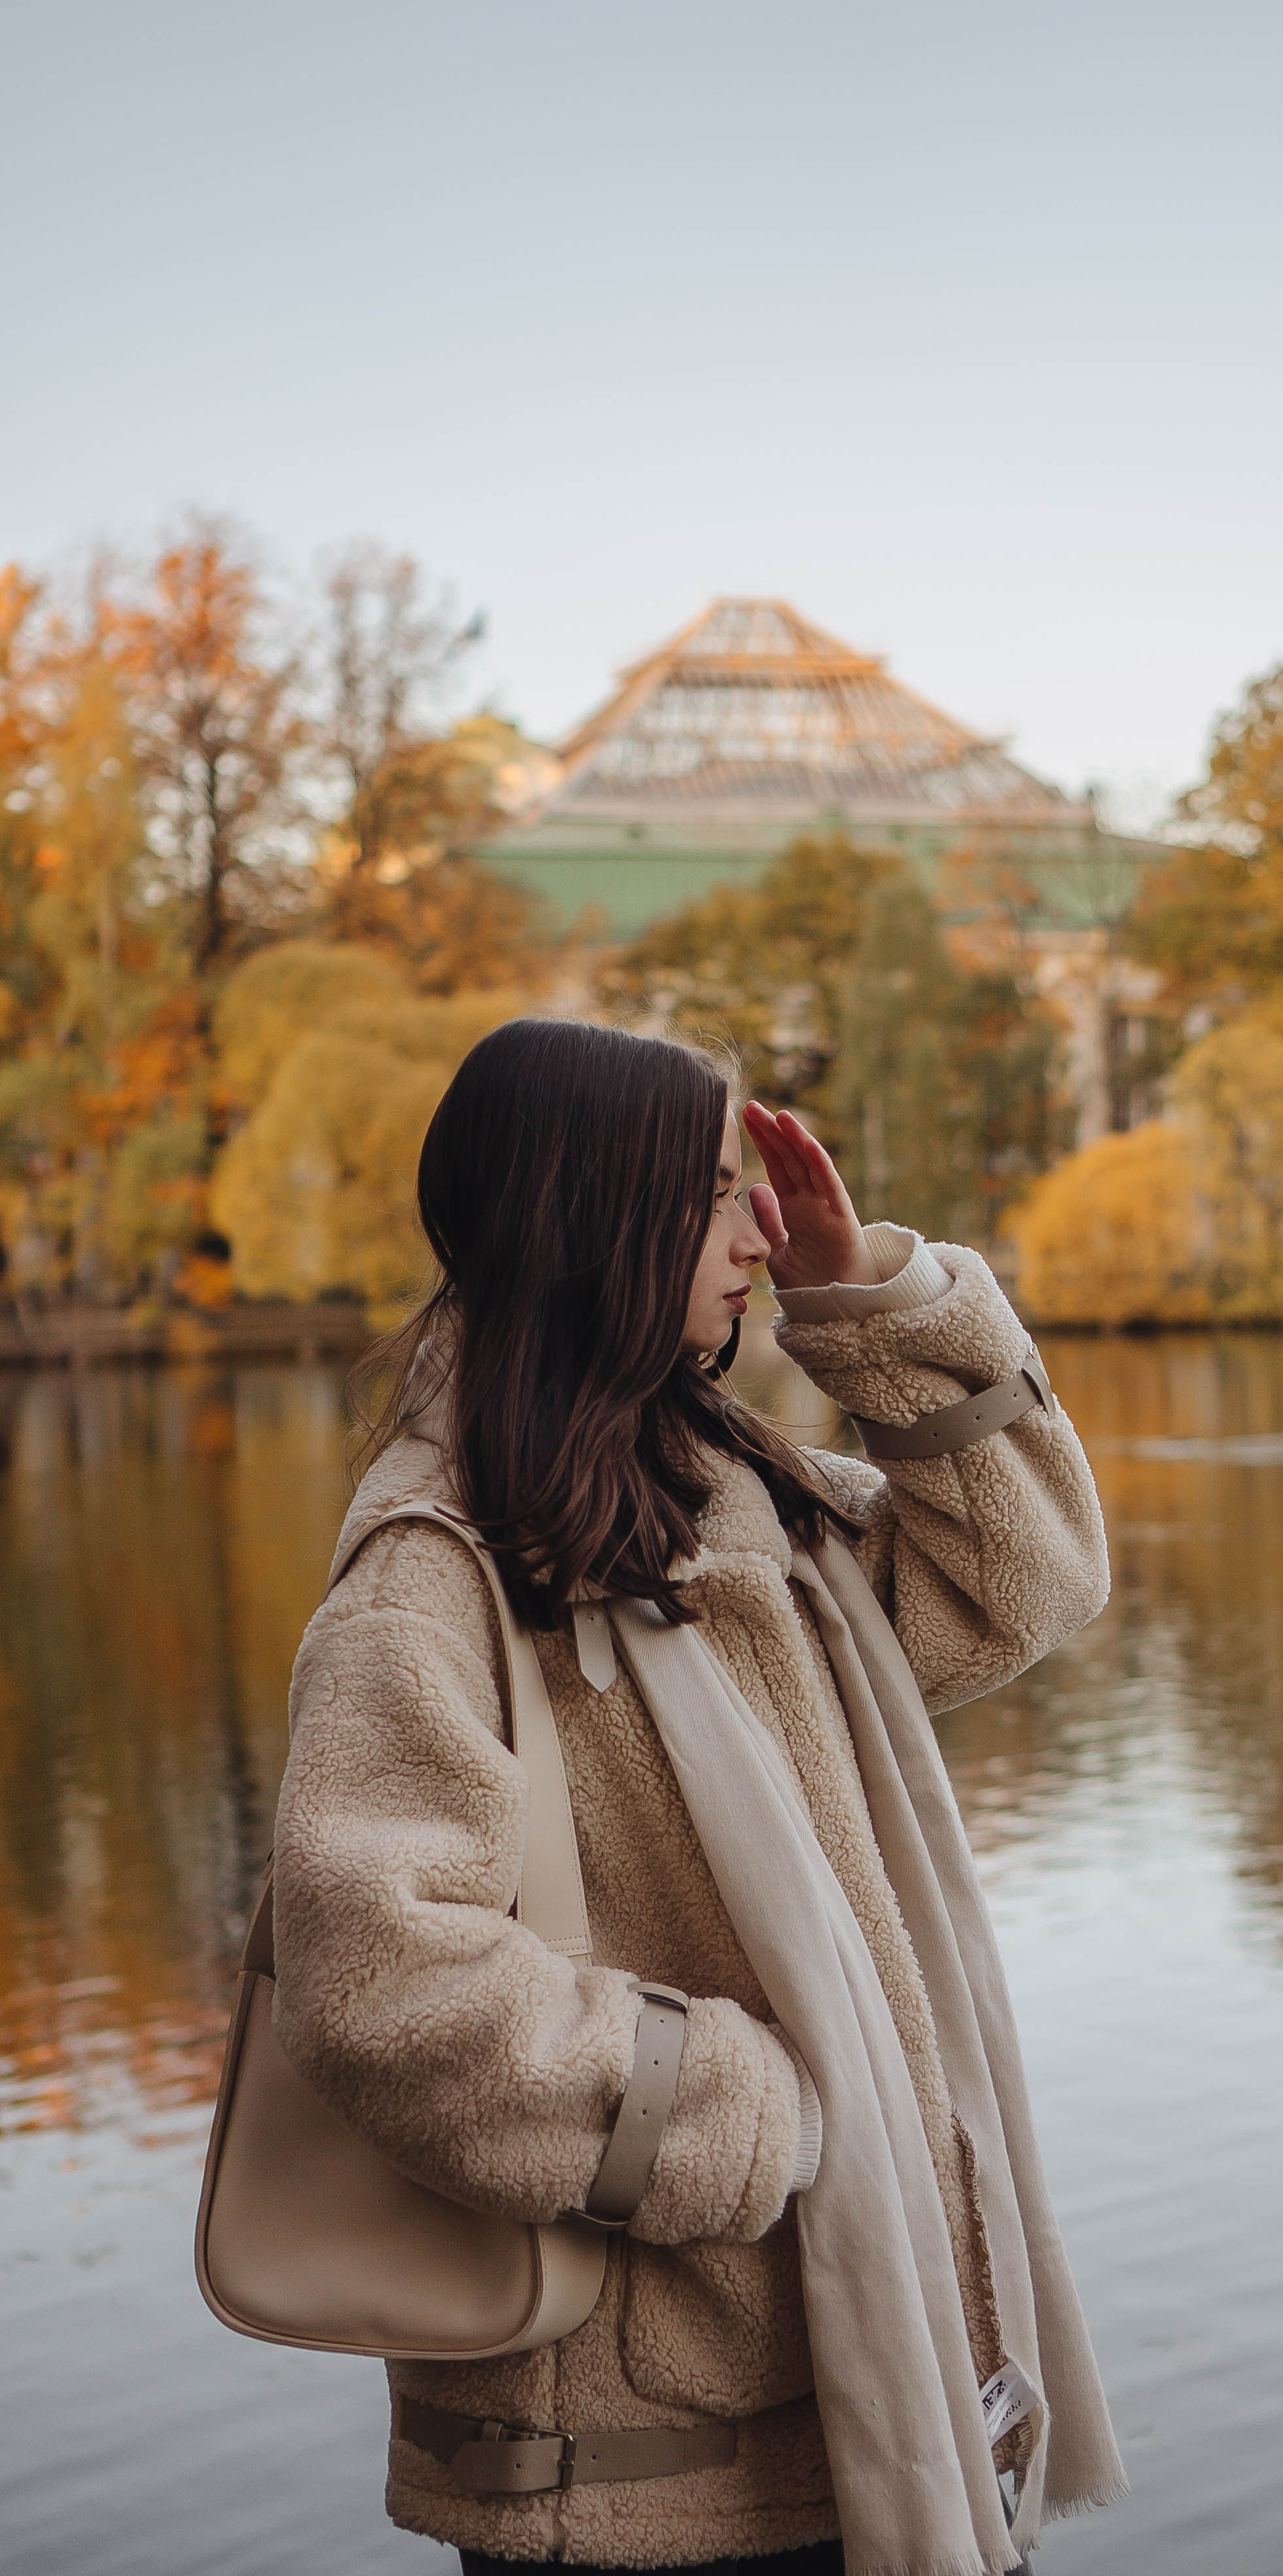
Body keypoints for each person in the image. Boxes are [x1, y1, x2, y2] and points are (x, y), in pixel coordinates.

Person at [272, 1018, 1124, 2576]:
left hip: (846, 2394)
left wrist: (858, 1293)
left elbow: (1024, 1581)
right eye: (716, 1194)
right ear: (594, 1214)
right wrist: (749, 2113)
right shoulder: (435, 1565)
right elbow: (378, 1977)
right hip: (636, 2474)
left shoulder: (726, 1504)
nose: (753, 1228)